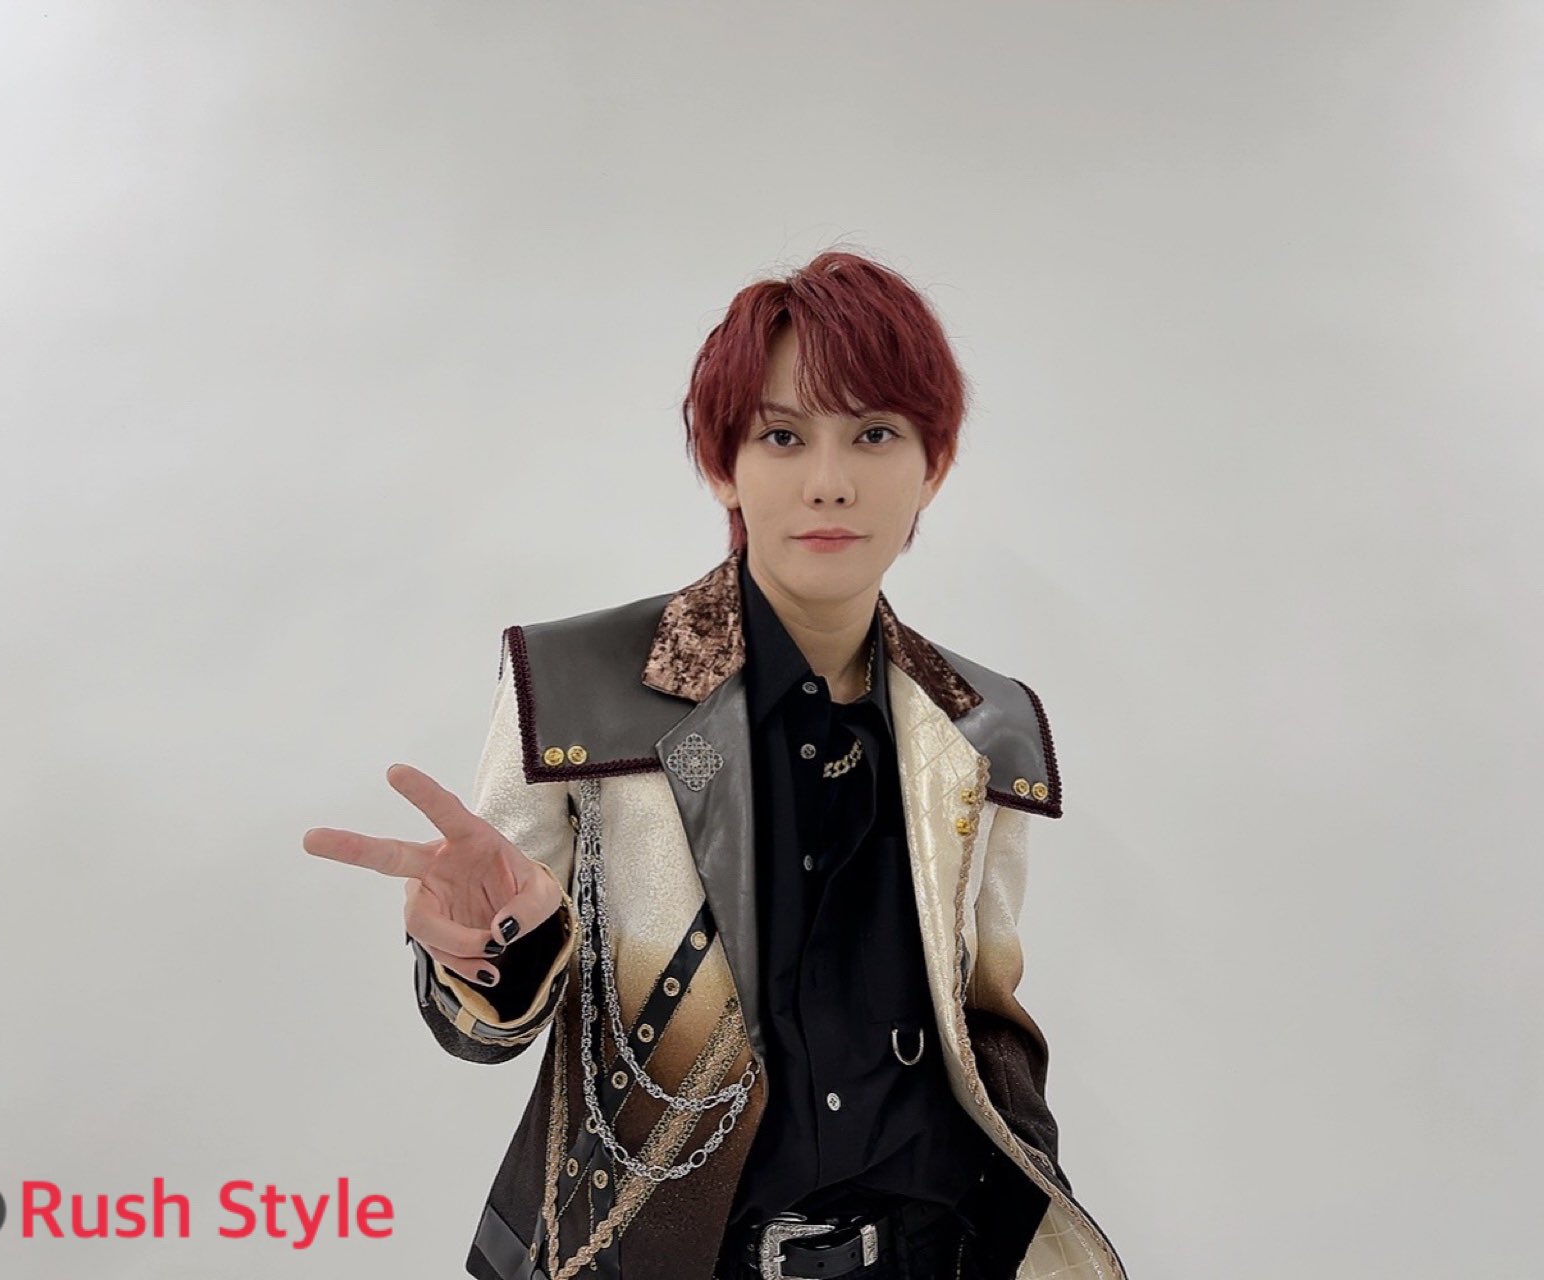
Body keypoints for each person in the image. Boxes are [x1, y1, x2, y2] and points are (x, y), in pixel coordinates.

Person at [304, 251, 1130, 1280]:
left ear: (934, 464)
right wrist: (491, 952)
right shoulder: (578, 686)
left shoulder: (981, 723)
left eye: (874, 433)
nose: (828, 480)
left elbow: (991, 1035)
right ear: (721, 464)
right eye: (782, 435)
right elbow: (487, 1026)